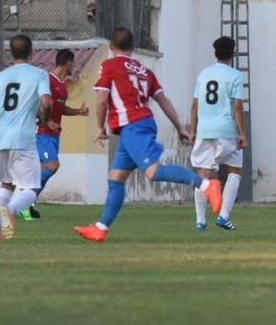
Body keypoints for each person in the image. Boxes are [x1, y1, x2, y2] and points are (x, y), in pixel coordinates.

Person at [74, 27, 223, 242]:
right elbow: (163, 101)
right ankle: (100, 227)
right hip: (136, 126)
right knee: (115, 179)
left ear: (110, 47)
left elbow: (101, 99)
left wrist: (99, 127)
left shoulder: (108, 66)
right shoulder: (145, 71)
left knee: (153, 171)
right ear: (133, 48)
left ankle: (208, 185)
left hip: (134, 125)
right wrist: (180, 127)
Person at [0, 35, 52, 241]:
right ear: (31, 51)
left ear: (11, 52)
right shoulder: (39, 74)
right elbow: (46, 102)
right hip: (22, 138)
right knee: (31, 187)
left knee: (5, 184)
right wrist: (45, 119)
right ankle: (10, 210)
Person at [20, 49, 89, 221]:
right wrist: (47, 122)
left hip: (53, 135)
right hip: (42, 132)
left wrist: (78, 112)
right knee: (52, 166)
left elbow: (60, 108)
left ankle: (27, 201)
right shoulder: (47, 80)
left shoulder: (62, 85)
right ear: (67, 63)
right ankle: (24, 201)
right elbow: (34, 103)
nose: (74, 66)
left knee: (43, 169)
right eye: (73, 63)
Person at [190, 36, 248, 230]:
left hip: (204, 130)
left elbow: (195, 105)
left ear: (215, 53)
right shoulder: (236, 76)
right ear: (233, 53)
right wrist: (242, 134)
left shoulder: (203, 74)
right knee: (235, 169)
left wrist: (192, 131)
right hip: (226, 130)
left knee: (204, 173)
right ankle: (223, 215)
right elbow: (238, 106)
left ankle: (200, 220)